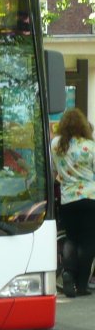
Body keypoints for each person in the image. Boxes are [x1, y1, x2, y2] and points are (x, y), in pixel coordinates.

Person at [50, 107, 95, 298]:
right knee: (88, 241)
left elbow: (53, 170)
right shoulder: (89, 146)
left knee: (71, 238)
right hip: (90, 197)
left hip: (68, 198)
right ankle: (82, 284)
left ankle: (68, 272)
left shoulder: (56, 144)